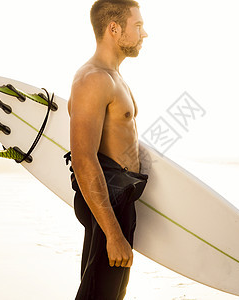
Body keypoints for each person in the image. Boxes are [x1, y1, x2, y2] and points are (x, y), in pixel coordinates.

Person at [66, 0, 149, 299]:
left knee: (110, 293)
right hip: (107, 204)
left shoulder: (114, 77)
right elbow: (83, 158)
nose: (145, 33)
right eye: (137, 26)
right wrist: (113, 234)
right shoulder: (94, 79)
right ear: (114, 28)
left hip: (119, 199)